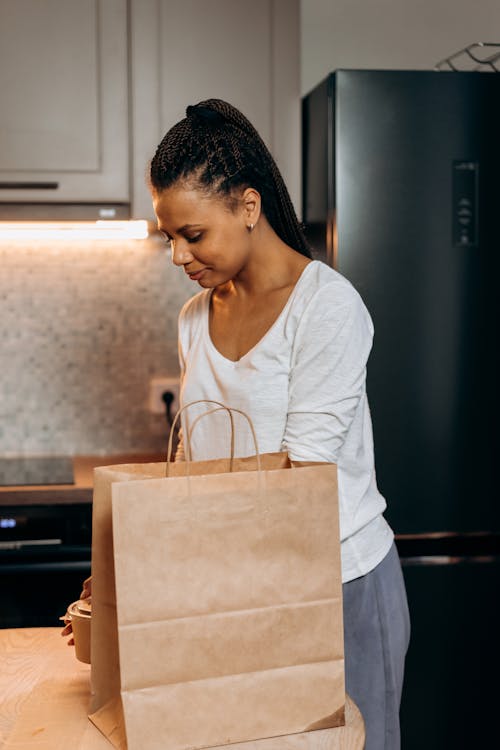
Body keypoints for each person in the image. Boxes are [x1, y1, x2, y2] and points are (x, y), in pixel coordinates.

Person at [149, 99, 410, 750]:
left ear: (247, 206)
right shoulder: (193, 319)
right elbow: (195, 464)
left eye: (193, 234)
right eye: (169, 237)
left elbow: (302, 482)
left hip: (341, 588)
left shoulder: (327, 308)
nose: (179, 255)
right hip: (245, 587)